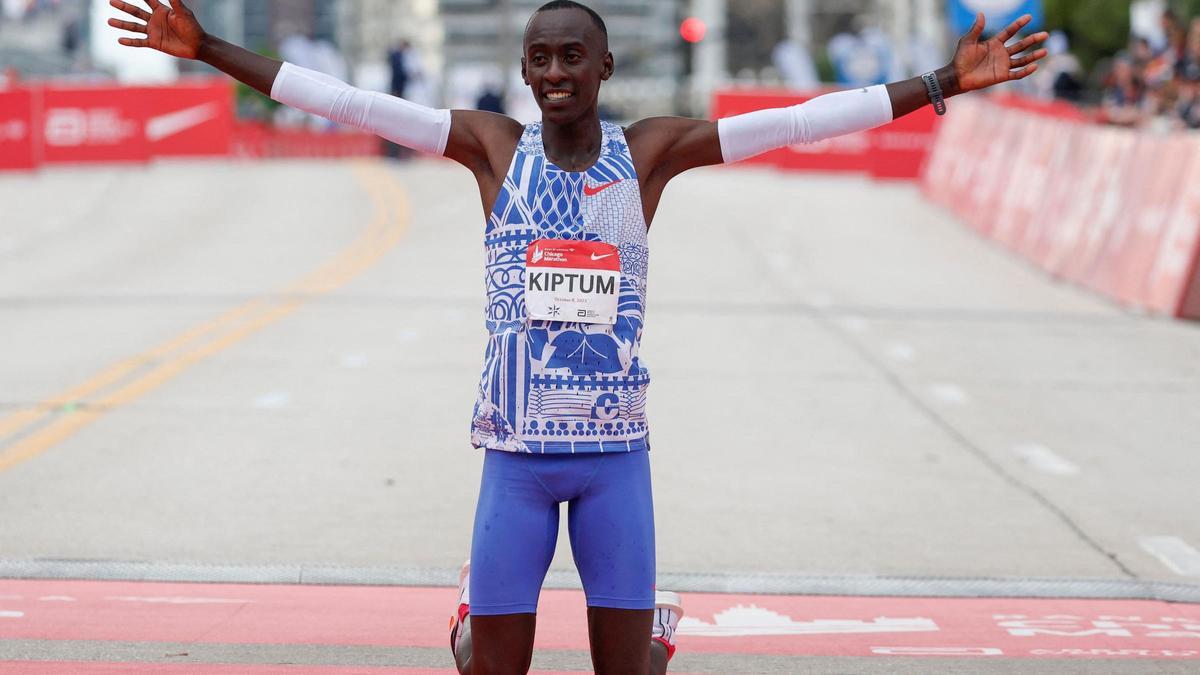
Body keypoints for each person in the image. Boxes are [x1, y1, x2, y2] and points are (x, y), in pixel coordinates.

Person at [105, 1, 1048, 672]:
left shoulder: (649, 155)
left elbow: (797, 122)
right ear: (525, 72)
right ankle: (476, 620)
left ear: (603, 69)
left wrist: (938, 83)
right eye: (541, 58)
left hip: (613, 460)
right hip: (514, 457)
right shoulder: (488, 147)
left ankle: (650, 636)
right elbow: (347, 102)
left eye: (573, 57)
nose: (556, 72)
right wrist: (209, 50)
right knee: (492, 669)